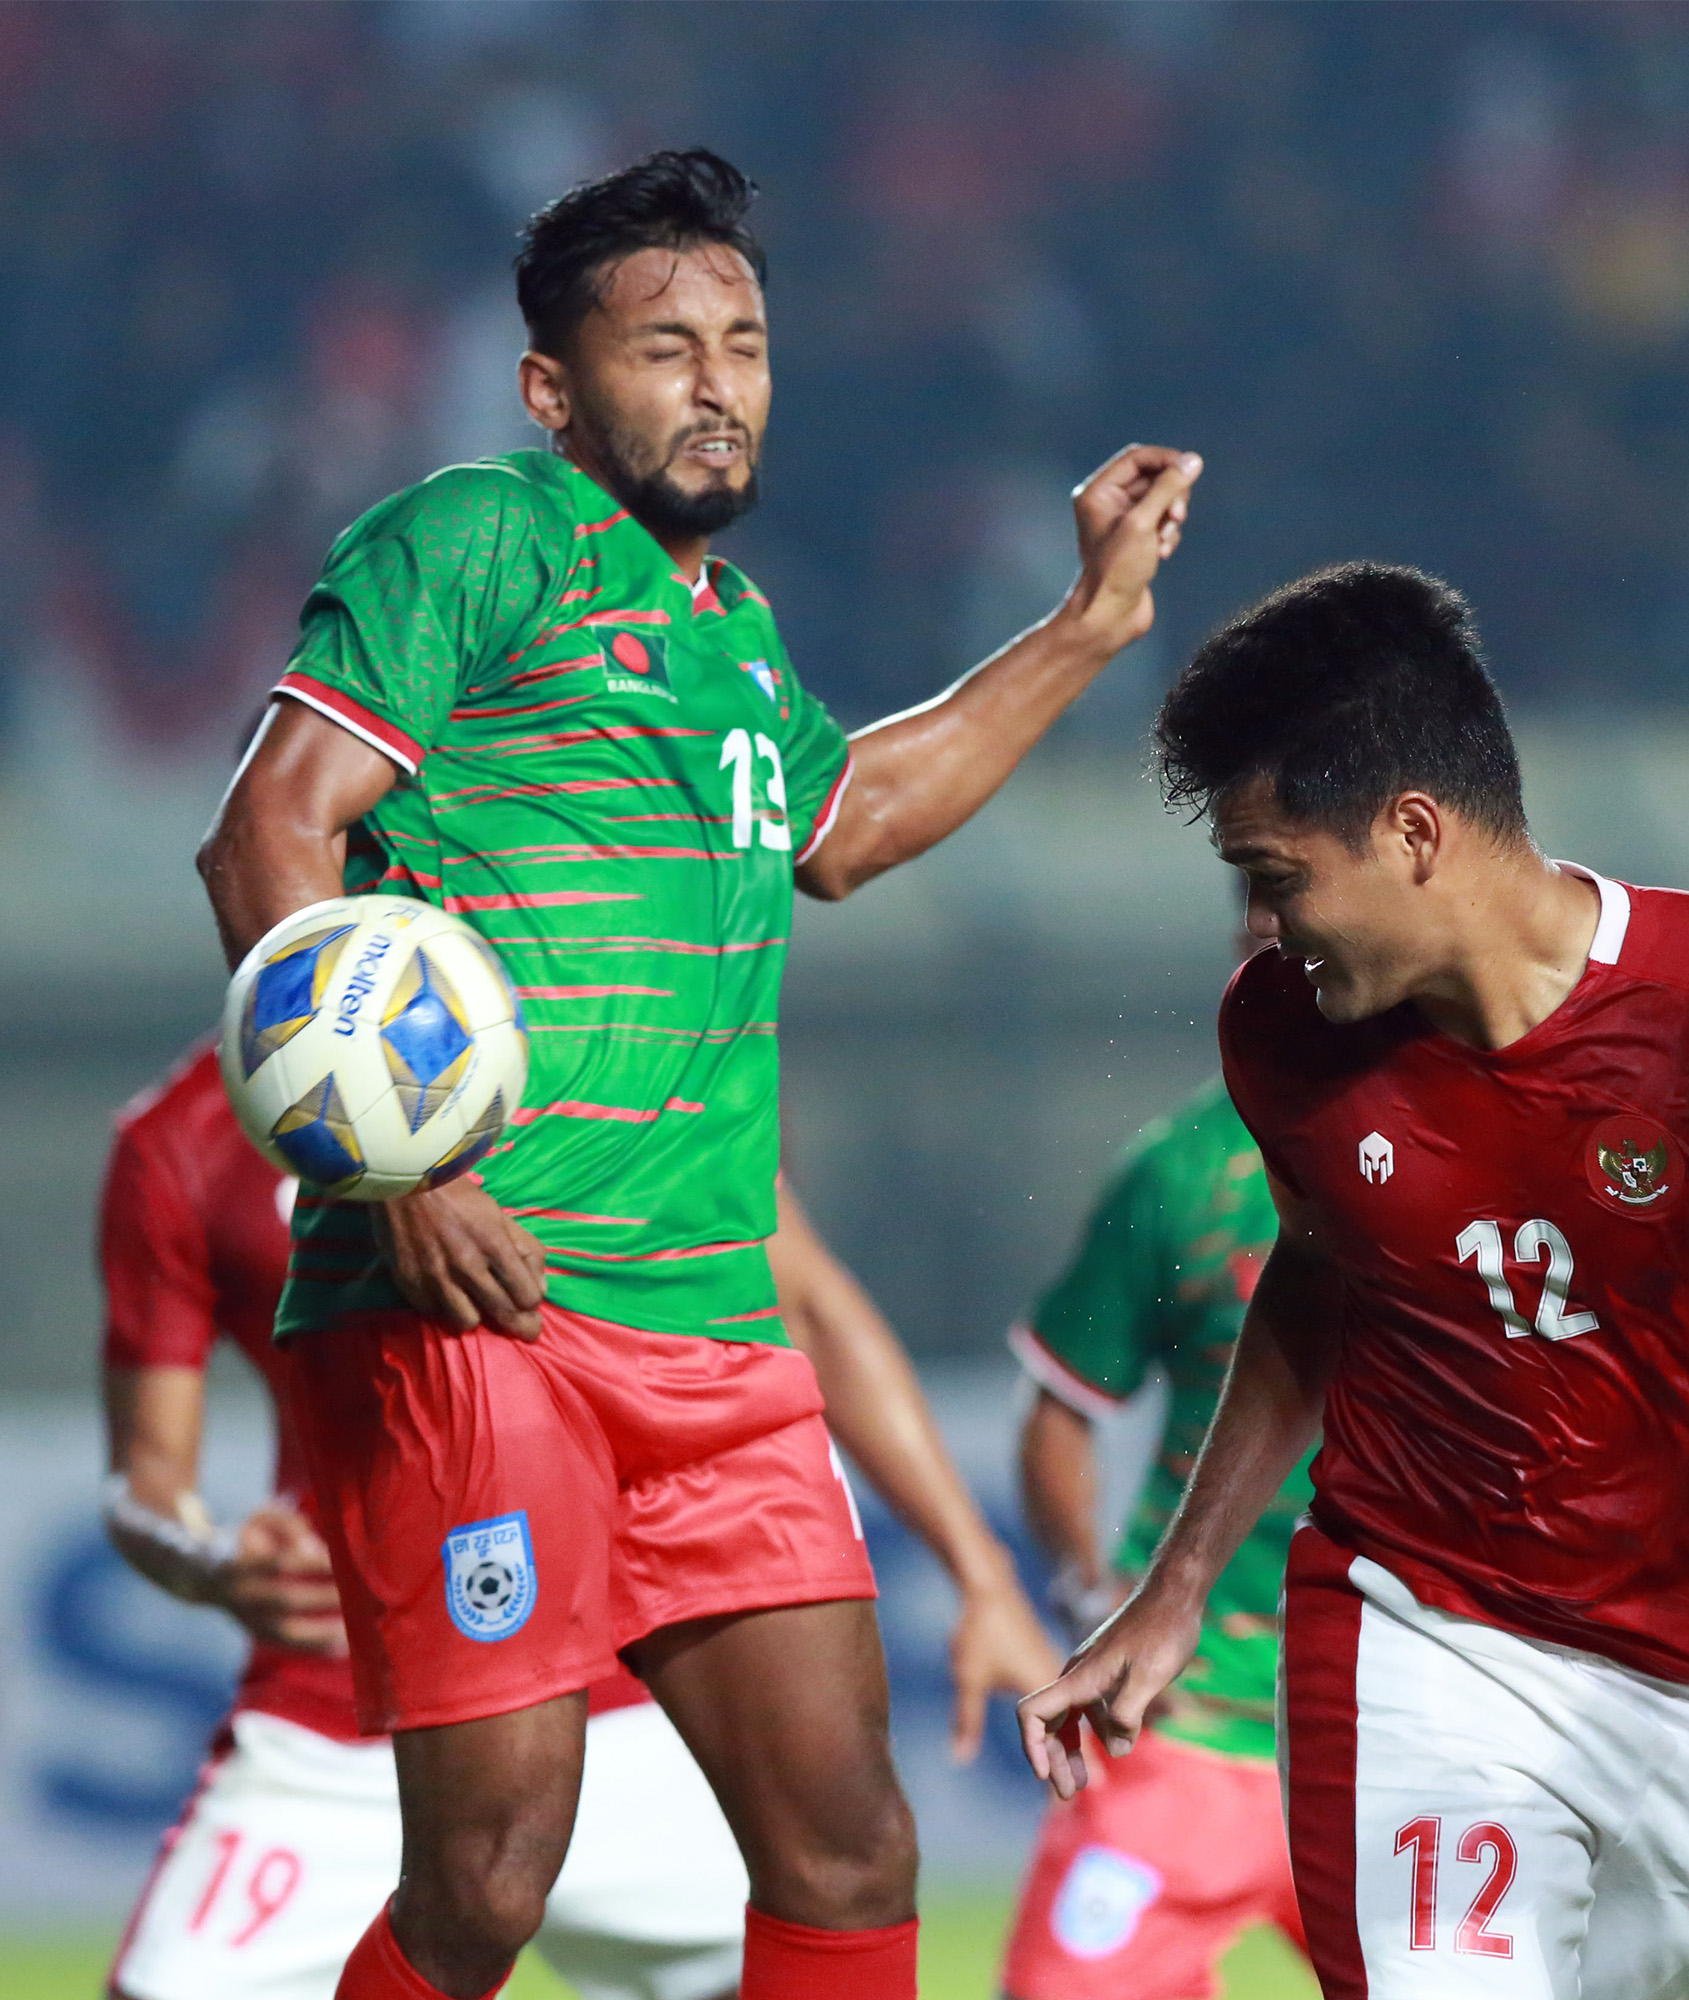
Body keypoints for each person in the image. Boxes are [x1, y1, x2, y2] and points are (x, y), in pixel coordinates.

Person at [192, 149, 1199, 2000]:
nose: (719, 381)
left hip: (719, 1344)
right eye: (665, 346)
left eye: (744, 341)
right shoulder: (473, 540)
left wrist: (1085, 633)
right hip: (485, 1308)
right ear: (552, 390)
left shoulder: (734, 638)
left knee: (850, 1852)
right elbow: (267, 838)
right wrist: (403, 1179)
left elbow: (850, 817)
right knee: (492, 1874)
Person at [1015, 563, 1689, 2000]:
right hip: (1423, 1628)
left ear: (1411, 833)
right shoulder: (1285, 1034)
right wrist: (1175, 1586)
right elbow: (1320, 1281)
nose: (1269, 929)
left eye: (1279, 878)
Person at [97, 1037, 1062, 2000]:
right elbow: (144, 1484)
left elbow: (800, 1301)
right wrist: (211, 1560)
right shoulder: (182, 1140)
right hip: (348, 1717)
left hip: (640, 1699)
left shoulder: (621, 1018)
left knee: (830, 1914)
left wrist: (982, 1575)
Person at [999, 1067, 1312, 1999]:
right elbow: (1059, 1404)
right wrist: (1094, 1598)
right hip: (1186, 1723)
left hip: (1413, 1735)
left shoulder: (1487, 1141)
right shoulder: (1185, 1170)